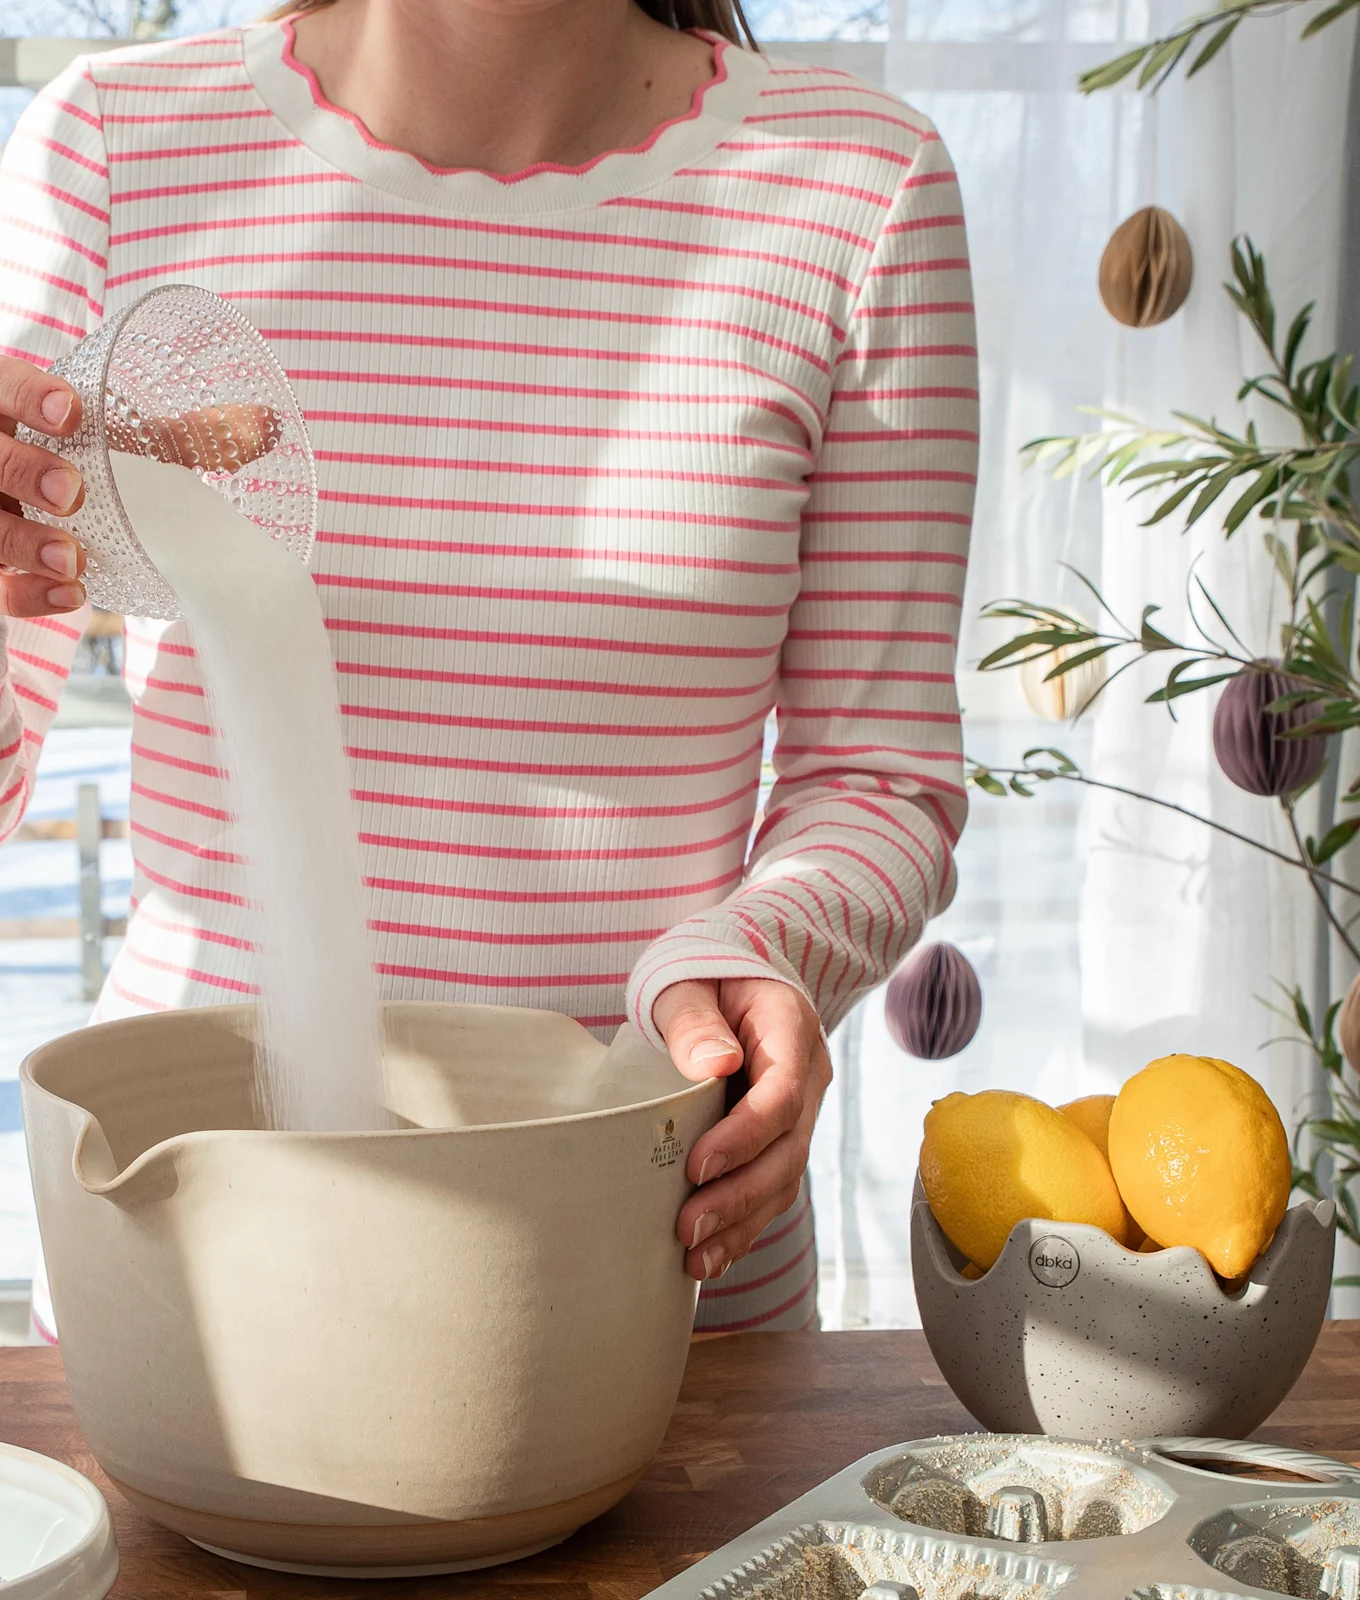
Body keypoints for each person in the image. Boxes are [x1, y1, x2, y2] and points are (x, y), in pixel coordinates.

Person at [0, 0, 977, 1333]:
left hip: (649, 1248)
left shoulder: (860, 191)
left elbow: (879, 776)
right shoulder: (117, 145)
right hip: (191, 1258)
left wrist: (762, 951)